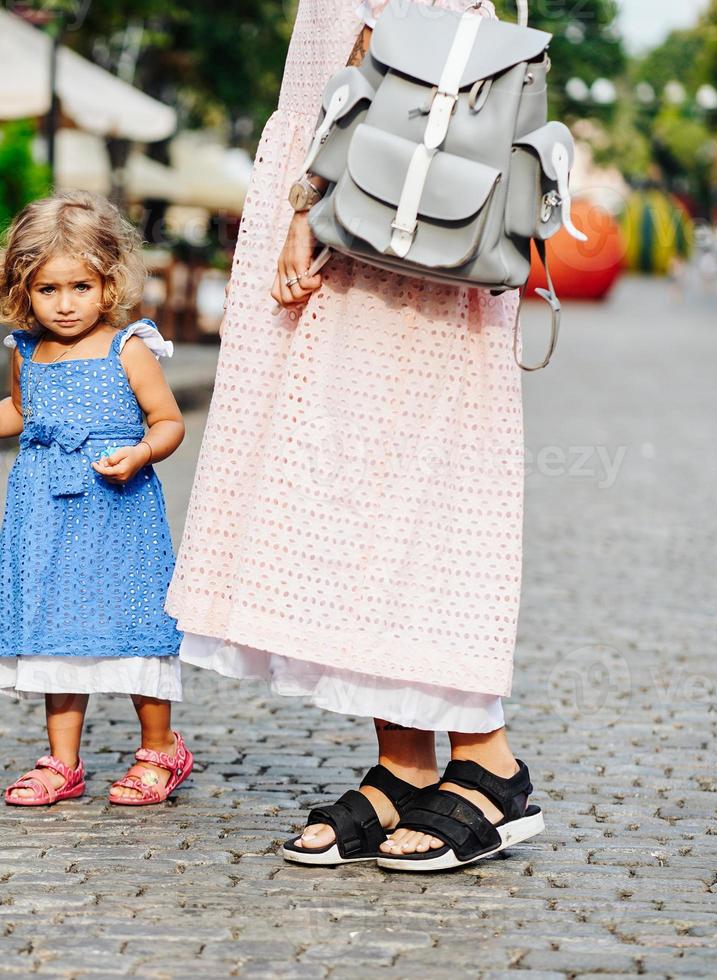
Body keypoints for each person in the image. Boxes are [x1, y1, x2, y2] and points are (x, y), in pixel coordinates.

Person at [162, 0, 544, 869]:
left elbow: (400, 43)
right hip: (383, 170)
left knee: (408, 477)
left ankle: (487, 759)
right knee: (364, 483)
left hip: (390, 187)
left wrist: (313, 196)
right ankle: (405, 760)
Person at [0, 192, 193, 807]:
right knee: (55, 623)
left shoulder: (128, 346)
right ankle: (62, 760)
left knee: (134, 620)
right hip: (46, 512)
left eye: (80, 286)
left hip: (119, 510)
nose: (65, 304)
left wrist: (139, 453)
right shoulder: (28, 351)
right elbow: (24, 413)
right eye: (47, 290)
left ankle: (160, 748)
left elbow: (168, 422)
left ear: (108, 281)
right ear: (21, 290)